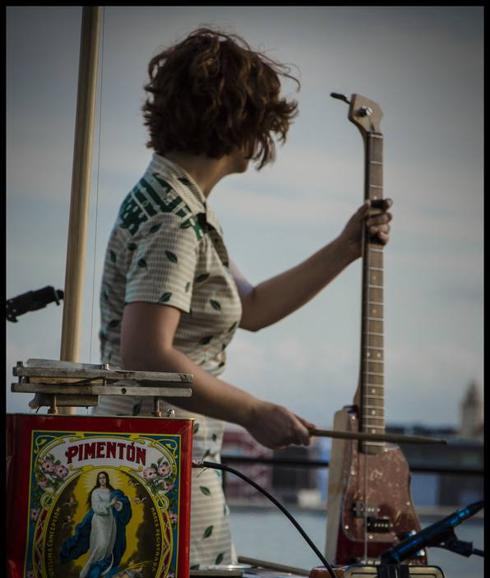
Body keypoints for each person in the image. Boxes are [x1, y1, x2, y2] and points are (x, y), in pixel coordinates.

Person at [94, 28, 392, 568]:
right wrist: (254, 412)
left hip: (157, 455)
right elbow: (145, 355)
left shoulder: (174, 198)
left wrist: (346, 248)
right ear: (240, 124)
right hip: (162, 461)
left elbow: (249, 308)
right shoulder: (175, 220)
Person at [60, 471, 132, 577]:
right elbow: (96, 507)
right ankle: (88, 567)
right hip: (99, 520)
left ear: (107, 479)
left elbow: (117, 505)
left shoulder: (112, 492)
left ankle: (101, 568)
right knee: (101, 544)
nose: (102, 480)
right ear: (98, 480)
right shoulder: (95, 492)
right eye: (100, 478)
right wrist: (109, 505)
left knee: (108, 546)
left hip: (110, 521)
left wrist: (117, 504)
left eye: (104, 478)